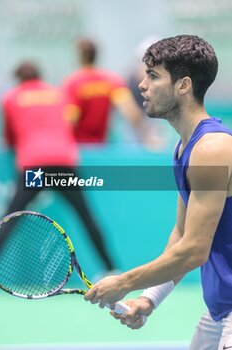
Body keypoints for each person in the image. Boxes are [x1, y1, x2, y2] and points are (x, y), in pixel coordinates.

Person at [84, 35, 232, 349]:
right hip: (220, 309)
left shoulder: (213, 149)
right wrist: (148, 299)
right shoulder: (184, 148)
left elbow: (194, 250)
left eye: (153, 76)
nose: (141, 85)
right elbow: (180, 235)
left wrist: (124, 282)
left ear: (183, 85)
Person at [1, 61, 115, 272]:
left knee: (11, 217)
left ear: (18, 79)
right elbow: (70, 123)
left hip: (34, 166)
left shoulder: (11, 97)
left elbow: (9, 138)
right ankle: (111, 269)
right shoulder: (59, 94)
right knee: (86, 216)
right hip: (63, 162)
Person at [62, 38, 148, 144]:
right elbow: (130, 111)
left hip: (79, 148)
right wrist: (146, 135)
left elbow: (70, 120)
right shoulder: (112, 81)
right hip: (102, 147)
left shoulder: (72, 83)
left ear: (79, 56)